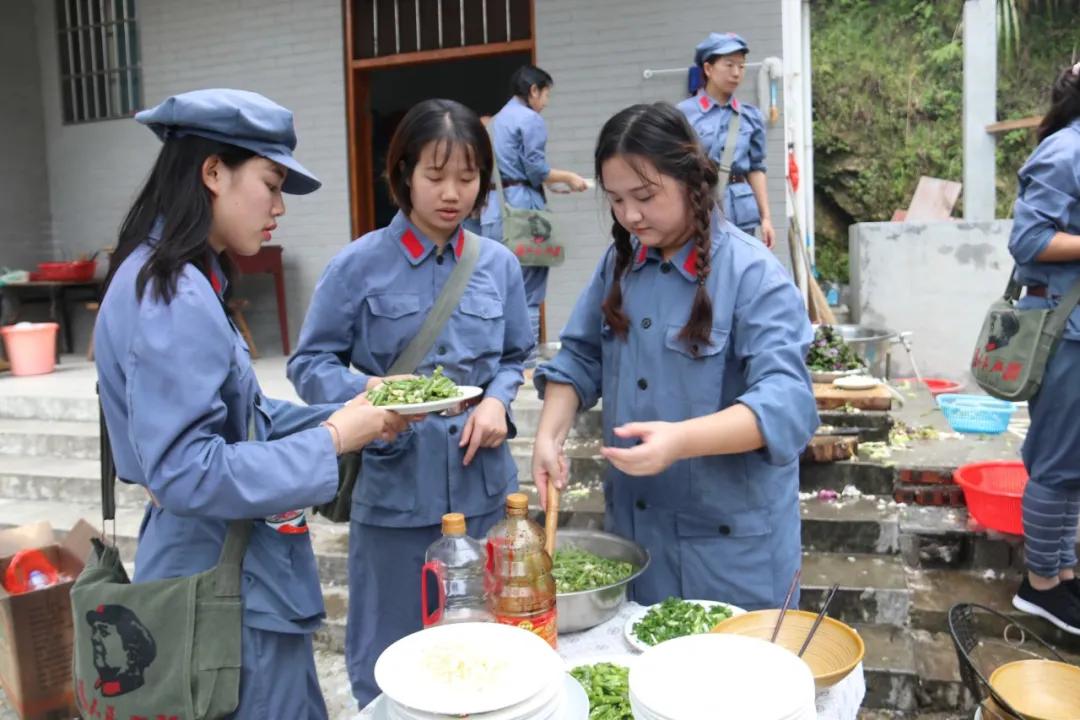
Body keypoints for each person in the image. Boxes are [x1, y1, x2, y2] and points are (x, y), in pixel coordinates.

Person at [94, 88, 407, 718]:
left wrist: (352, 413)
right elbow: (189, 470)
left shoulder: (178, 275)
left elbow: (244, 419)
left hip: (222, 567)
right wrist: (335, 439)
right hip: (220, 577)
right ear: (213, 172)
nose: (279, 206)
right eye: (271, 183)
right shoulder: (173, 294)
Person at [287, 98, 533, 706]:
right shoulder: (358, 265)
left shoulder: (498, 266)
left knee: (490, 653)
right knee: (387, 653)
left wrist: (498, 403)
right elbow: (308, 363)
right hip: (394, 492)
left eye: (468, 177)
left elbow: (514, 357)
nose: (452, 193)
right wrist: (362, 397)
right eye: (434, 175)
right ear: (402, 174)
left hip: (481, 489)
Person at [531, 102, 817, 609]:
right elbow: (578, 357)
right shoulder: (619, 266)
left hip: (729, 555)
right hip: (638, 543)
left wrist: (681, 441)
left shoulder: (753, 274)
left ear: (691, 179)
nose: (630, 215)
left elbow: (788, 404)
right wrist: (549, 436)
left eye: (644, 196)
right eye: (616, 200)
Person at [1008, 62, 1080, 635]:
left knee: (1074, 463)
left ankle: (1065, 571)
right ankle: (1040, 585)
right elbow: (1028, 239)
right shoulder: (1064, 150)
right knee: (1057, 463)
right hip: (1063, 329)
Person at [481, 65, 589, 363]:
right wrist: (568, 177)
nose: (546, 102)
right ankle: (524, 362)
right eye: (546, 94)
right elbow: (536, 169)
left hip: (494, 210)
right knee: (527, 290)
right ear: (533, 91)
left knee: (496, 288)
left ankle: (496, 358)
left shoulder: (494, 122)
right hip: (524, 213)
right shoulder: (529, 120)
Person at [677, 33, 775, 248]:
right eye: (729, 65)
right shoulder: (683, 114)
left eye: (741, 66)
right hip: (700, 203)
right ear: (708, 69)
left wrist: (766, 217)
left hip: (741, 209)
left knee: (741, 269)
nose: (736, 73)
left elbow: (756, 168)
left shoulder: (751, 117)